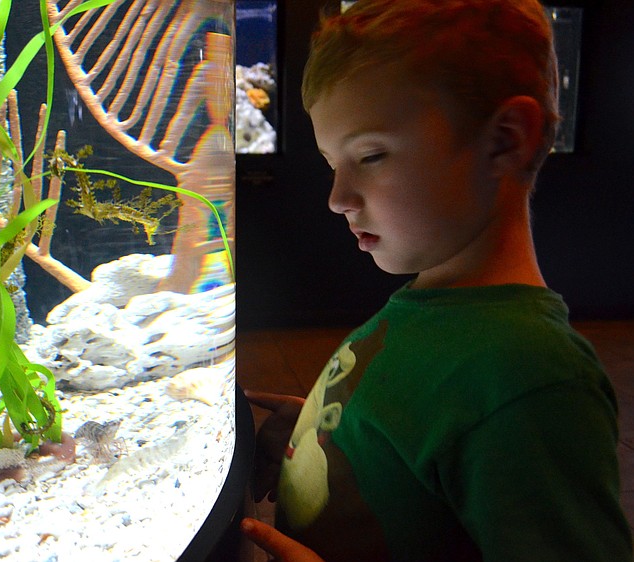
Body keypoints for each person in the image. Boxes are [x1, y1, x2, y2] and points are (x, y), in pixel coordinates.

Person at [239, 1, 634, 560]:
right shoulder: (435, 308)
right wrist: (338, 439)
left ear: (505, 140)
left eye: (371, 155)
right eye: (333, 164)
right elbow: (433, 435)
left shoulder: (530, 380)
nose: (337, 198)